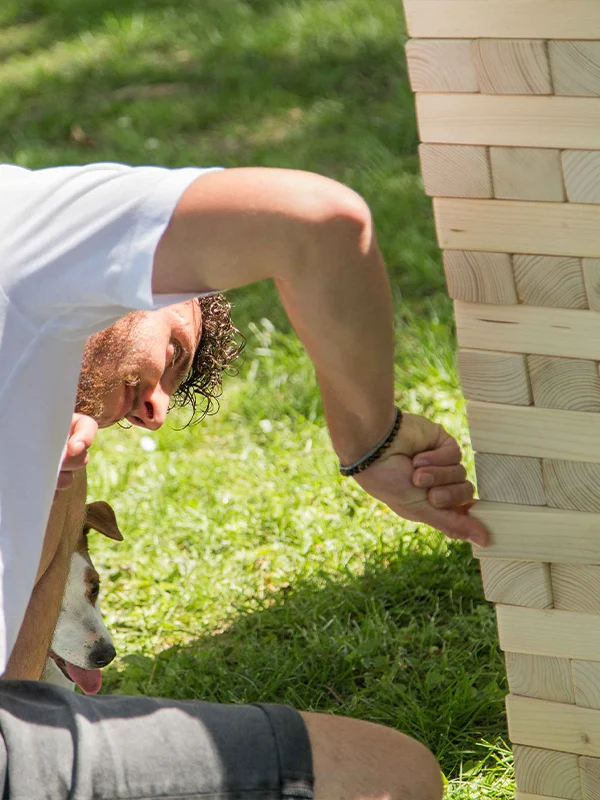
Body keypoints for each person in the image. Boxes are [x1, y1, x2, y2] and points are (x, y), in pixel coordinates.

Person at [0, 161, 488, 799]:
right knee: (390, 776)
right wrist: (369, 440)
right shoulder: (26, 231)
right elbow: (318, 219)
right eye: (174, 351)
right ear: (125, 285)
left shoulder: (55, 445)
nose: (156, 412)